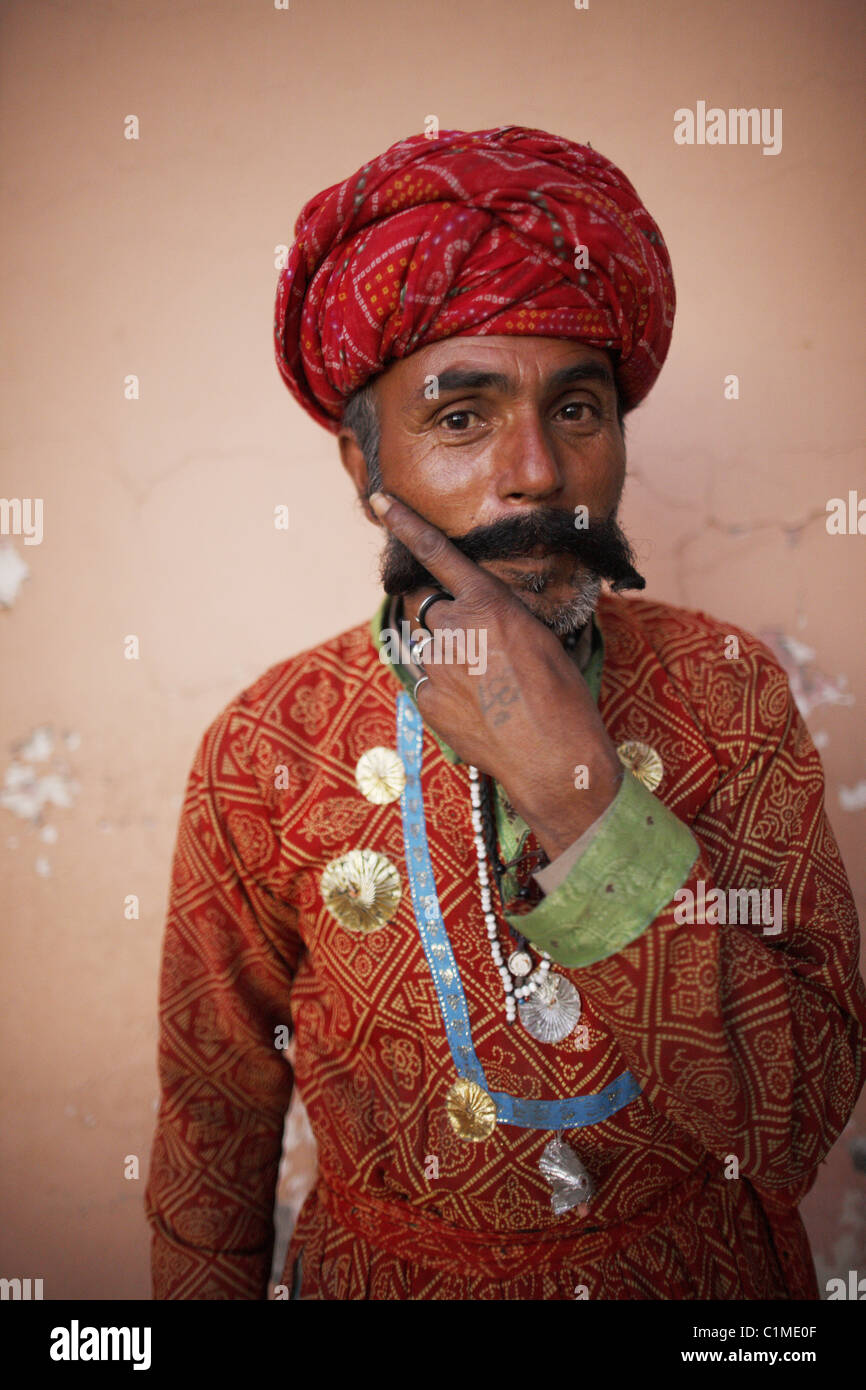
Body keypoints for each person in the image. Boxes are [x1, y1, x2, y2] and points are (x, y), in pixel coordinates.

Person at [144, 125, 866, 1300]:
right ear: (362, 468)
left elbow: (787, 1126)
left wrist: (576, 791)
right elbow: (209, 1141)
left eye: (578, 411)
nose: (536, 472)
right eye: (462, 417)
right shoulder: (263, 748)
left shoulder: (728, 691)